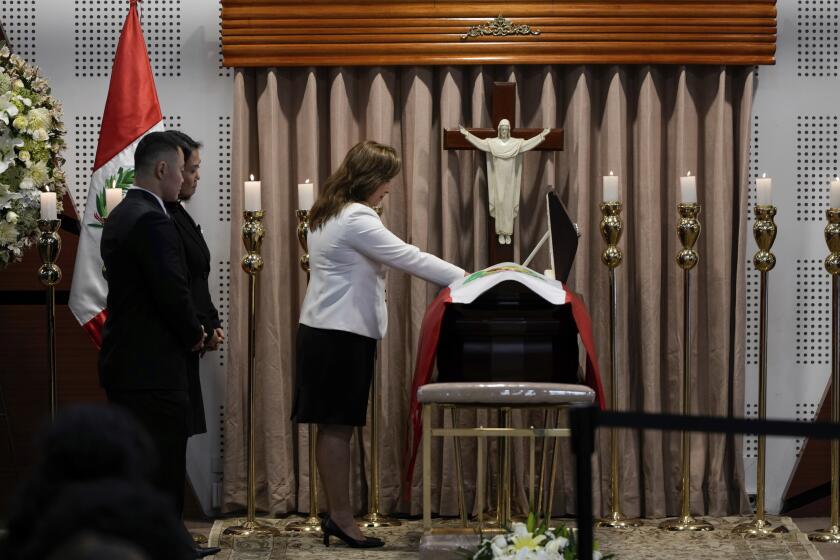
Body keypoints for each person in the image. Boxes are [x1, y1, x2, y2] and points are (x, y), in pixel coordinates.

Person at [292, 140, 467, 548]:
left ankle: (338, 515)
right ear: (370, 178)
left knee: (334, 426)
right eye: (385, 181)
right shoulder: (356, 217)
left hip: (327, 330)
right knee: (338, 427)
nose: (388, 189)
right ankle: (340, 518)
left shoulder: (327, 210)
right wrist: (469, 277)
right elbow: (410, 257)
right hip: (339, 334)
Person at [98, 132, 218, 557]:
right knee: (163, 463)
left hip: (130, 362)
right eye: (183, 169)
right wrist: (196, 333)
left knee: (147, 462)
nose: (186, 178)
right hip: (153, 365)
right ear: (164, 169)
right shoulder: (151, 218)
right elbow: (171, 290)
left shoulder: (123, 212)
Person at [165, 130, 225, 437]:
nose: (197, 177)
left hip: (190, 340)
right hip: (170, 352)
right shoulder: (161, 219)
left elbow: (199, 277)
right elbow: (177, 287)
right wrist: (200, 331)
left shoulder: (180, 213)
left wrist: (212, 323)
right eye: (192, 169)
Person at [459, 120, 550, 244]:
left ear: (508, 131)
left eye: (506, 130)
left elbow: (528, 144)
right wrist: (467, 135)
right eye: (502, 129)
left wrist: (541, 136)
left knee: (508, 204)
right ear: (499, 130)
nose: (503, 132)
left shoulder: (515, 144)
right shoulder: (492, 143)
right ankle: (501, 231)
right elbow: (480, 143)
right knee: (500, 202)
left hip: (510, 179)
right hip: (498, 180)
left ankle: (508, 232)